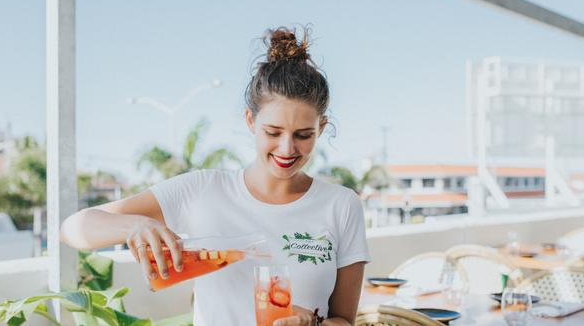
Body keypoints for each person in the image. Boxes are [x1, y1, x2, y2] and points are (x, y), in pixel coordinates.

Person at [60, 26, 370, 326]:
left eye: (303, 134)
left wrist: (314, 324)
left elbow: (344, 320)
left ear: (322, 128)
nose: (287, 148)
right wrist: (137, 224)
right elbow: (75, 229)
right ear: (250, 120)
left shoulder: (341, 206)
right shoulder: (202, 190)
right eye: (273, 132)